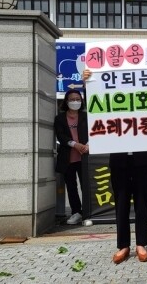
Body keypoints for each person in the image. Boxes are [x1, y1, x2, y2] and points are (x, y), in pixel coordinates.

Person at [82, 69, 147, 264]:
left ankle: (141, 244)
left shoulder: (143, 98)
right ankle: (123, 245)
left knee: (141, 203)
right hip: (120, 161)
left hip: (142, 160)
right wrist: (87, 82)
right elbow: (96, 101)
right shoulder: (113, 101)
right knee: (121, 204)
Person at [54, 89, 89, 225]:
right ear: (66, 101)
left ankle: (87, 213)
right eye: (72, 99)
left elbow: (94, 131)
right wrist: (75, 144)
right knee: (71, 186)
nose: (75, 101)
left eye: (78, 99)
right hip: (68, 157)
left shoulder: (86, 116)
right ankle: (76, 212)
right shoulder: (60, 118)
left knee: (86, 185)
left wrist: (87, 145)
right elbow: (61, 136)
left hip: (84, 156)